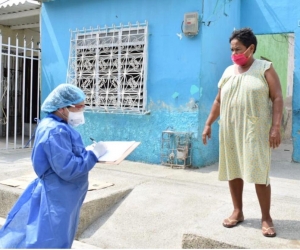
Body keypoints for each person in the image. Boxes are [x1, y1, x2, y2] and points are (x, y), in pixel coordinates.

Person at [0, 83, 107, 248]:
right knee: (51, 239)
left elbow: (65, 155)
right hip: (58, 194)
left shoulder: (59, 126)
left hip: (63, 193)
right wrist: (93, 155)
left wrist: (86, 152)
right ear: (63, 108)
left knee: (55, 235)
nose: (81, 111)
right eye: (79, 107)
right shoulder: (55, 130)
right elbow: (68, 168)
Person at [202, 28, 283, 238]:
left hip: (255, 131)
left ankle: (266, 218)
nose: (234, 52)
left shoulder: (265, 68)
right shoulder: (228, 72)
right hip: (230, 130)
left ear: (251, 48)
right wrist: (209, 123)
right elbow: (218, 101)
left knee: (259, 173)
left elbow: (277, 98)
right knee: (233, 170)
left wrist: (275, 127)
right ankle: (237, 211)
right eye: (232, 49)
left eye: (238, 49)